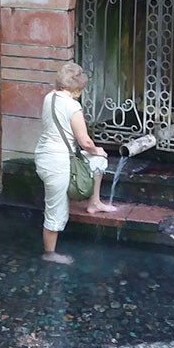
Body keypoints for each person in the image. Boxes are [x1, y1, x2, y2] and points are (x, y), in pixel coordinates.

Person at [34, 62, 117, 264]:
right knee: (56, 208)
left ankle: (94, 203)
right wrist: (96, 149)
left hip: (45, 156)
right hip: (57, 163)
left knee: (98, 162)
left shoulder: (49, 97)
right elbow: (84, 141)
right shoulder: (73, 106)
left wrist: (96, 155)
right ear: (77, 89)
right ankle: (49, 254)